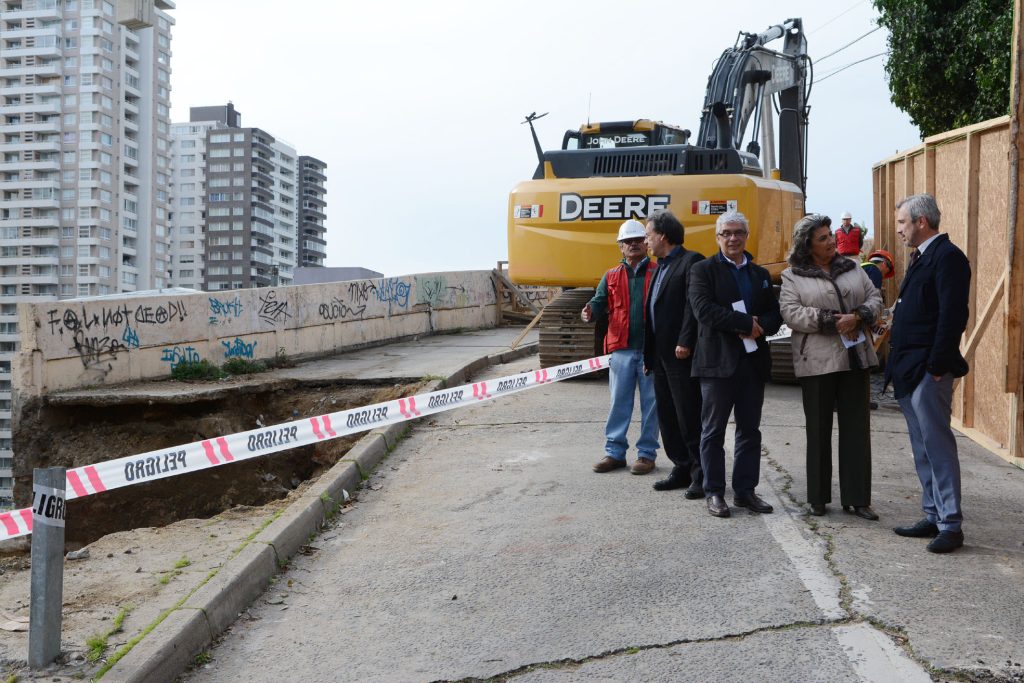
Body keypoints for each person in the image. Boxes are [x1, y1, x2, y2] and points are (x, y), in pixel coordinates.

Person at [779, 214, 883, 520]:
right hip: (817, 361)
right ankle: (818, 498)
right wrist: (833, 321)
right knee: (819, 430)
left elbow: (876, 297)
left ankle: (858, 498)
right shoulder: (792, 276)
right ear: (807, 245)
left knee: (857, 430)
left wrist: (860, 315)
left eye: (830, 236)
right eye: (822, 238)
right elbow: (791, 313)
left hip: (856, 359)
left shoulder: (852, 267)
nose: (830, 242)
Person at [888, 194, 971, 554]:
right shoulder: (921, 258)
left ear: (921, 221)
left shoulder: (948, 258)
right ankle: (934, 514)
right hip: (908, 370)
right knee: (922, 448)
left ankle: (950, 525)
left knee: (937, 447)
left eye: (902, 223)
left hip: (928, 371)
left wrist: (937, 367)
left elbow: (952, 317)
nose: (899, 230)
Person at [688, 210, 782, 518]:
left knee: (749, 431)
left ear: (746, 236)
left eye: (738, 232)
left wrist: (760, 326)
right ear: (717, 238)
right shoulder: (702, 270)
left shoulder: (760, 275)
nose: (733, 238)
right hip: (717, 364)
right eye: (726, 233)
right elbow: (704, 310)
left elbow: (774, 314)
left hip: (752, 364)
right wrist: (745, 323)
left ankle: (745, 491)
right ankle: (714, 492)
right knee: (712, 431)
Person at [584, 219, 660, 475]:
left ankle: (646, 455)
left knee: (652, 404)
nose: (634, 244)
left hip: (652, 350)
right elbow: (598, 301)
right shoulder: (611, 276)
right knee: (619, 402)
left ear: (647, 243)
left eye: (638, 240)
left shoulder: (658, 271)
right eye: (628, 241)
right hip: (622, 350)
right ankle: (615, 453)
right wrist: (589, 312)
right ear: (621, 246)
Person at [642, 209, 704, 497]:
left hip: (681, 354)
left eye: (648, 234)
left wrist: (686, 341)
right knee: (667, 416)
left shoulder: (690, 262)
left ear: (663, 236)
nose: (645, 241)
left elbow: (693, 307)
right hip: (661, 357)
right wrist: (649, 356)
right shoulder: (660, 266)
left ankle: (700, 473)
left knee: (688, 415)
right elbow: (653, 313)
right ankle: (680, 467)